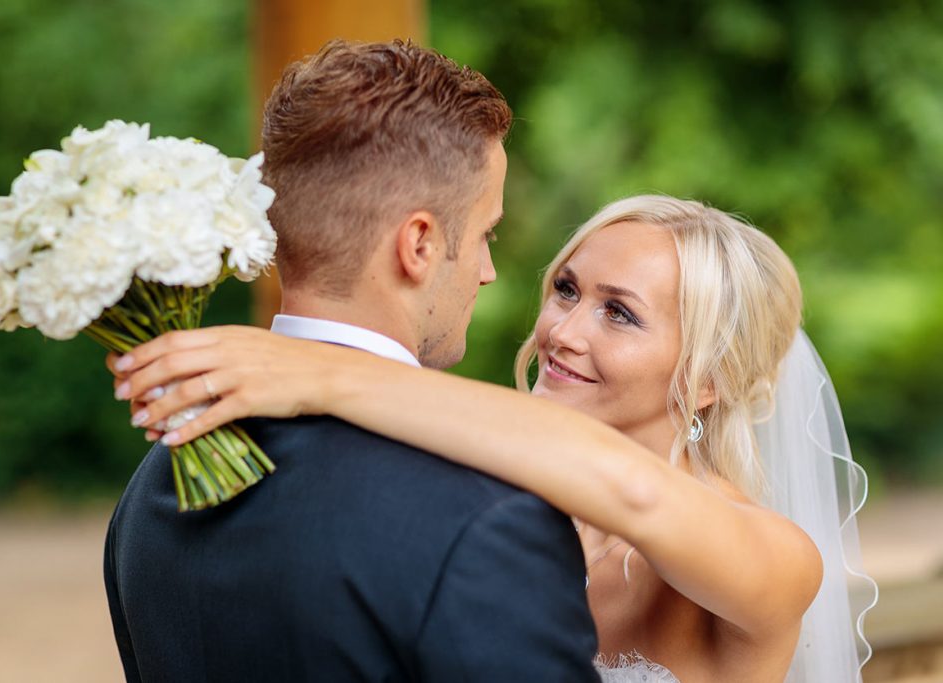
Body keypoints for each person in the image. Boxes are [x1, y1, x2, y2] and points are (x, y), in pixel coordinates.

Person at [112, 195, 878, 682]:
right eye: (568, 290)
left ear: (708, 377)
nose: (562, 332)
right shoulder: (496, 509)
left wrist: (323, 371)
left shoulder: (778, 557)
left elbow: (637, 490)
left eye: (620, 313)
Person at [103, 39, 601, 682]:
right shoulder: (489, 519)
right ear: (418, 244)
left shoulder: (158, 479)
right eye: (485, 234)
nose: (486, 271)